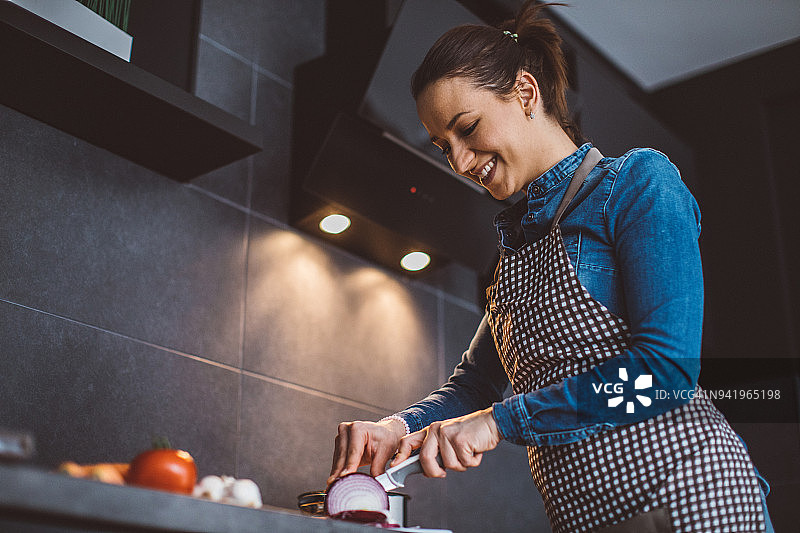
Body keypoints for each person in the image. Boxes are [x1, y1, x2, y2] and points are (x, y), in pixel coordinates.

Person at [328, 2, 773, 531]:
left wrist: (500, 422)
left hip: (688, 499)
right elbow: (474, 387)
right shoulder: (515, 255)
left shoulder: (637, 184)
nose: (461, 162)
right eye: (445, 147)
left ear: (525, 93)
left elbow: (666, 373)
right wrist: (396, 428)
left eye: (468, 129)